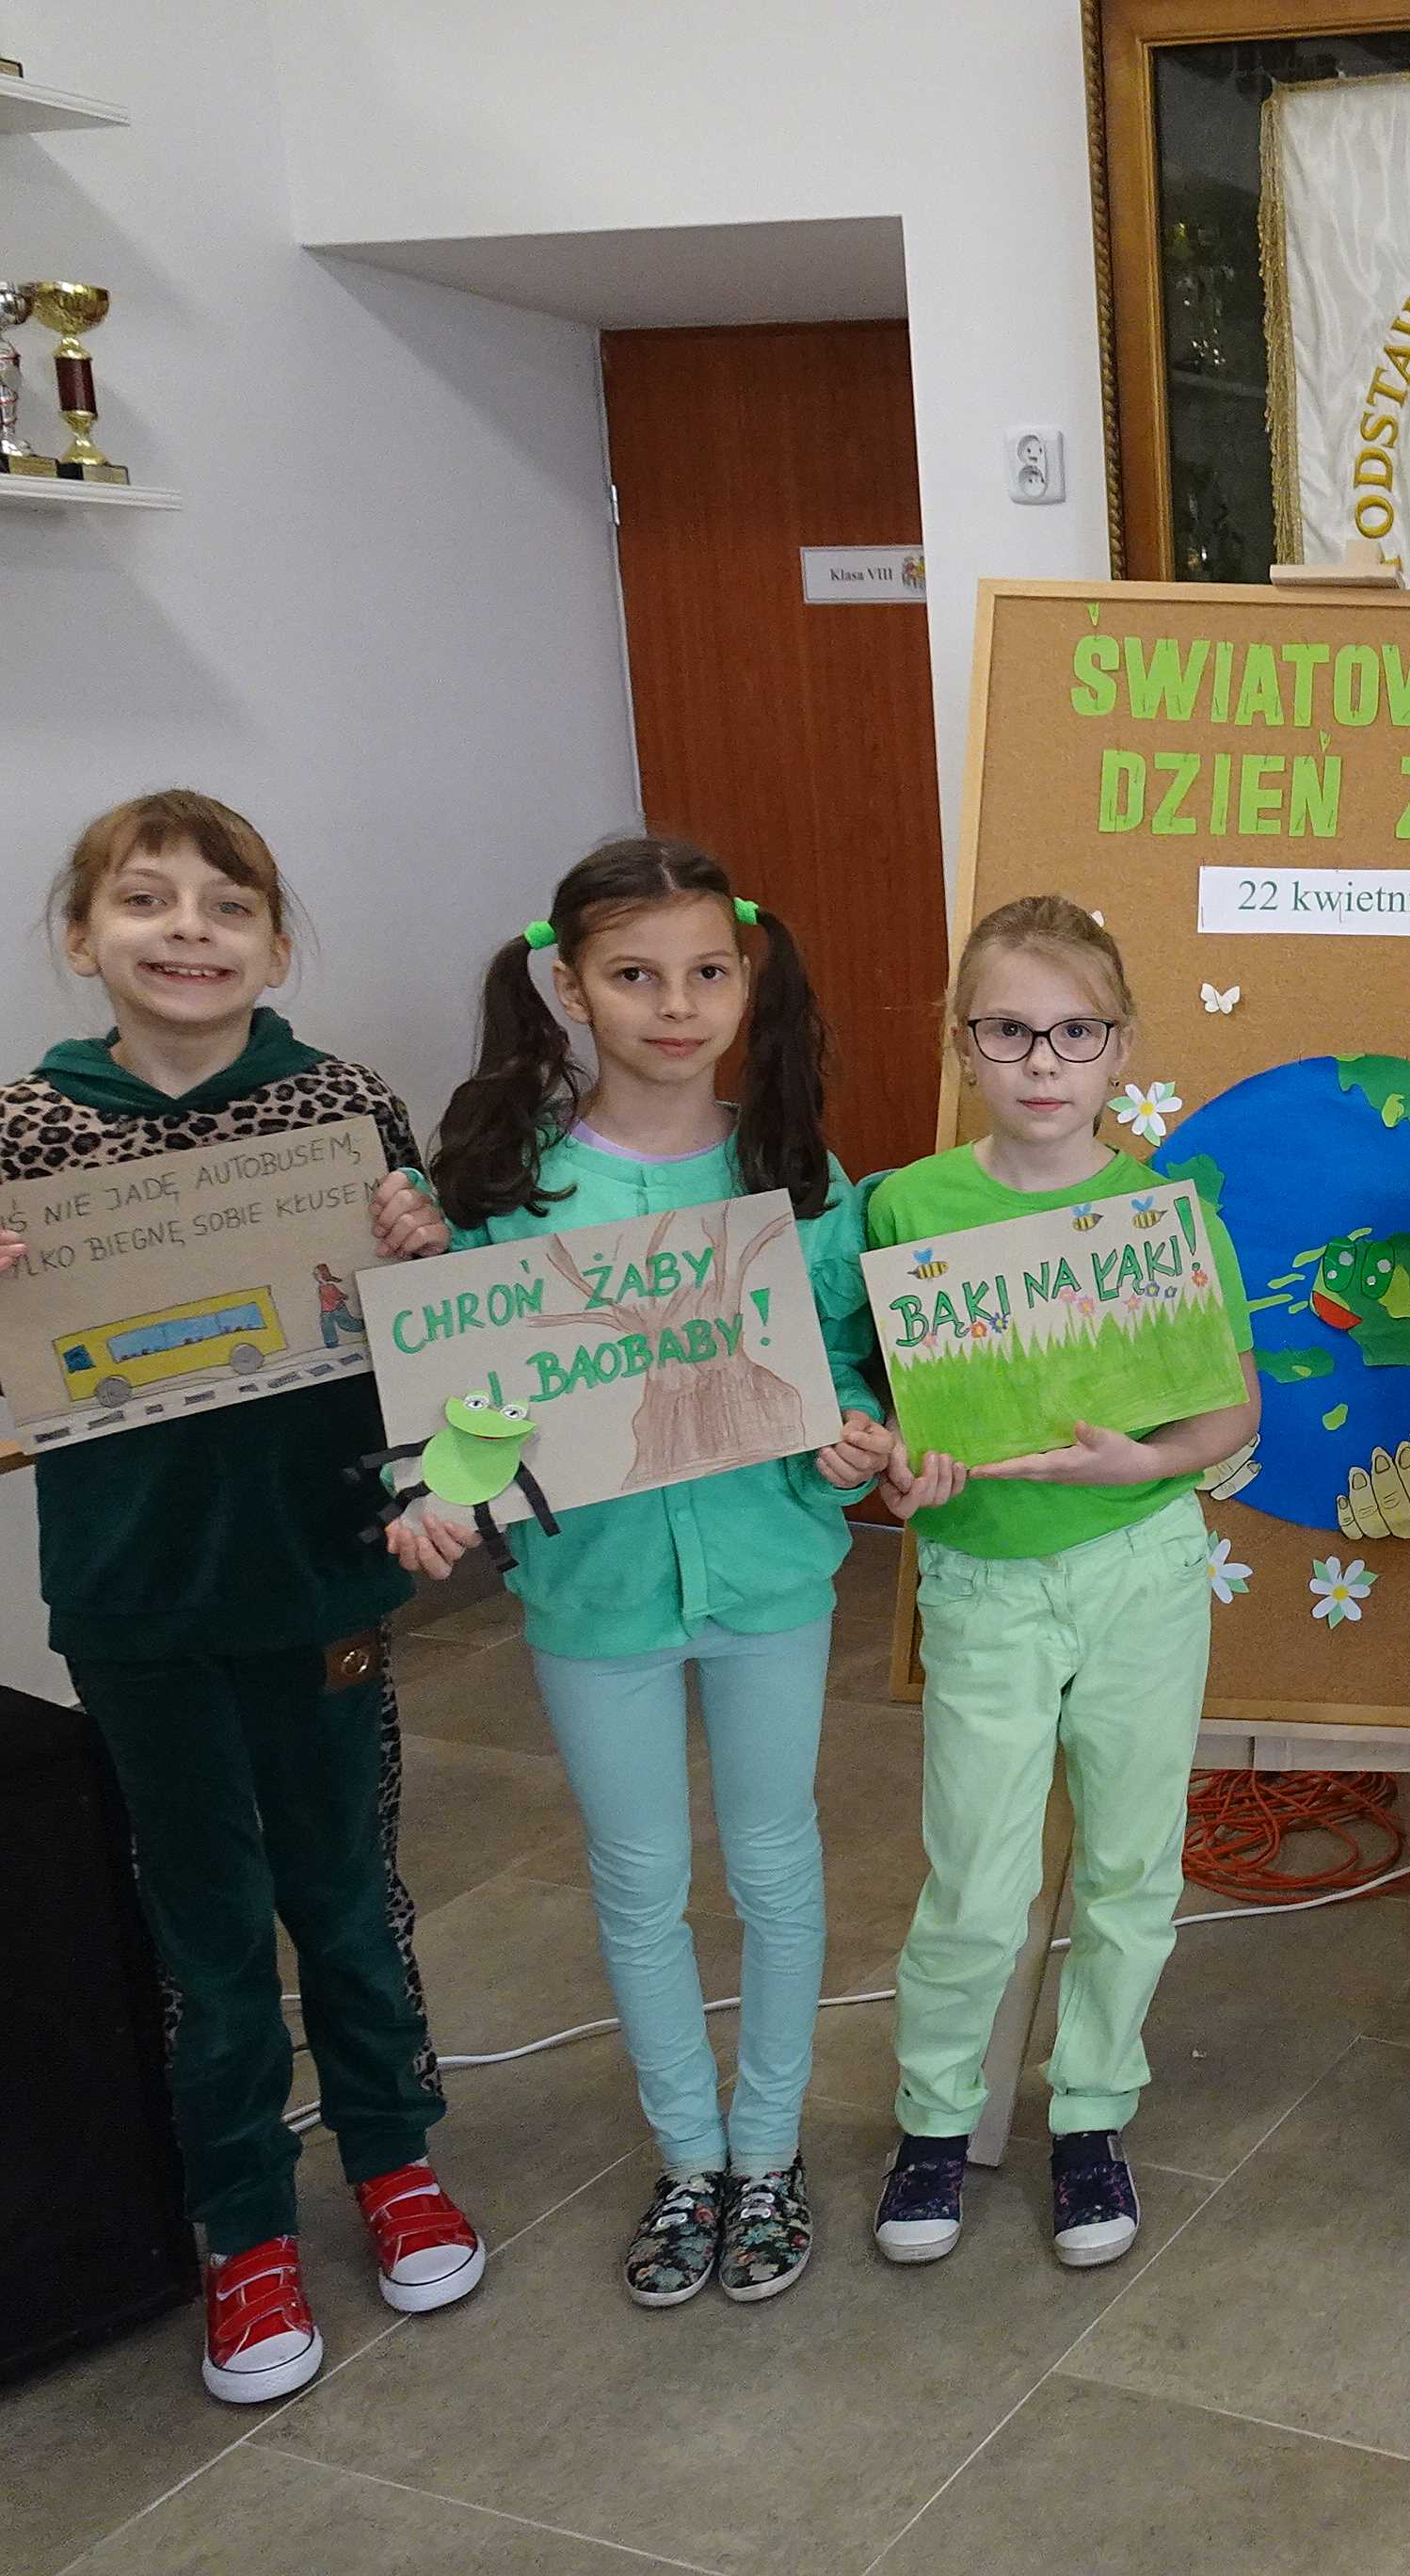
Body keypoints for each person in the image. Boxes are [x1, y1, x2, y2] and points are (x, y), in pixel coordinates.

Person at [1, 791, 482, 2405]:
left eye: (227, 905)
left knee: (347, 1890)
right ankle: (242, 2223)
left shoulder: (344, 1102)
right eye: (147, 902)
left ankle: (394, 2157)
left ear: (276, 942)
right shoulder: (27, 1131)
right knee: (202, 1932)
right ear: (84, 938)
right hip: (134, 1592)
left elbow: (427, 1346)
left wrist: (421, 1246)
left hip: (318, 1566)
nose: (189, 931)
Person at [373, 838, 890, 2310]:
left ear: (749, 983)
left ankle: (770, 2150)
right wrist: (435, 1493)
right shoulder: (503, 1188)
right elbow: (466, 1400)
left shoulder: (799, 1179)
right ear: (570, 987)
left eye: (707, 973)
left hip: (772, 1576)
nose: (676, 1004)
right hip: (593, 1592)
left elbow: (835, 1369)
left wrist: (854, 1437)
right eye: (635, 975)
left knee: (779, 1865)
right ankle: (689, 2160)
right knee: (642, 1878)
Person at [866, 896, 1258, 2271]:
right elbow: (889, 1420)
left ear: (1120, 1047)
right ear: (964, 1043)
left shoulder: (1165, 1213)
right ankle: (934, 2120)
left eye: (1075, 1033)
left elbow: (1225, 1426)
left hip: (1141, 1564)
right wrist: (900, 1477)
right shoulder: (911, 1208)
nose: (1044, 1061)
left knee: (1130, 1863)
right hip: (982, 1579)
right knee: (974, 1873)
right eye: (1011, 1031)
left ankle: (1091, 2115)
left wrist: (1126, 1465)